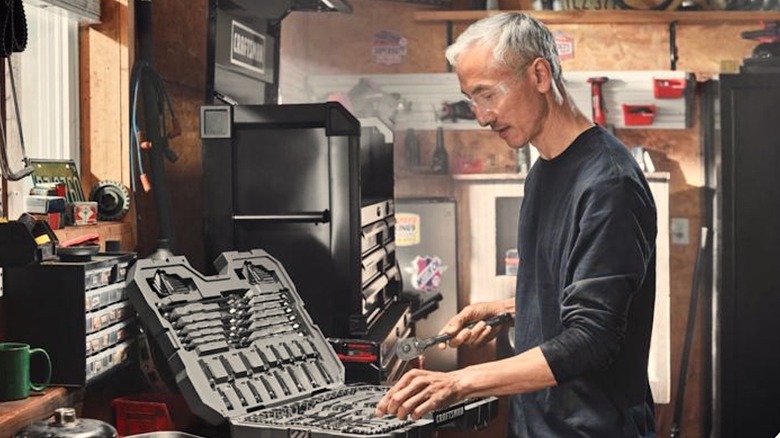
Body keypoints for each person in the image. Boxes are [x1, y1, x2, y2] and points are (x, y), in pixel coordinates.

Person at [375, 12, 657, 438]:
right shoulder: (544, 171)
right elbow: (580, 291)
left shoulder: (609, 184)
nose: (482, 117)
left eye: (487, 95)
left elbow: (593, 338)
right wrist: (512, 310)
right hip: (536, 423)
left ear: (540, 74)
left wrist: (457, 381)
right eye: (471, 99)